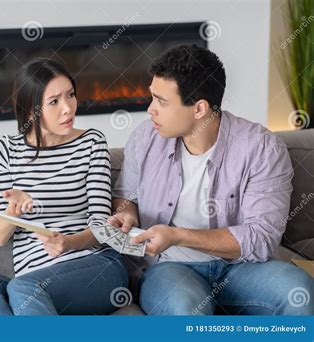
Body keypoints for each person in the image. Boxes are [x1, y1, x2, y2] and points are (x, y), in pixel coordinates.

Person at [109, 44, 313, 315]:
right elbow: (127, 196)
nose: (150, 110)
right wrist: (128, 216)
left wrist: (178, 236)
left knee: (298, 291)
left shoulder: (262, 149)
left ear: (199, 109)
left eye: (162, 101)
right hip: (171, 267)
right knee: (185, 309)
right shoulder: (145, 138)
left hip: (241, 267)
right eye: (152, 98)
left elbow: (261, 237)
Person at [0, 57, 128, 315]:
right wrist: (13, 211)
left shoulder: (92, 143)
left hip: (95, 267)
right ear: (31, 110)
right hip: (33, 278)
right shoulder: (5, 150)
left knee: (23, 289)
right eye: (54, 101)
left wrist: (70, 243)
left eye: (70, 95)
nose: (68, 108)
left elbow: (102, 225)